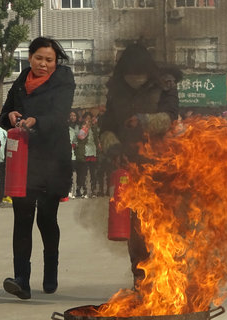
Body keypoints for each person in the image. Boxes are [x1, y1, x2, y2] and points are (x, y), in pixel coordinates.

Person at [0, 37, 75, 299]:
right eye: (38, 58)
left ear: (56, 62)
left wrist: (36, 120)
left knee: (46, 218)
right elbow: (4, 113)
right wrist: (11, 116)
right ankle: (21, 279)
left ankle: (50, 270)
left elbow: (60, 114)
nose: (43, 64)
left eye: (49, 60)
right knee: (22, 219)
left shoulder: (63, 79)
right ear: (30, 57)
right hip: (23, 161)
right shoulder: (22, 79)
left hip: (53, 159)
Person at [98, 41, 179, 288]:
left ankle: (170, 275)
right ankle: (140, 275)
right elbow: (106, 127)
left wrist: (143, 121)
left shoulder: (165, 86)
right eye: (130, 75)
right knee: (134, 227)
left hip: (161, 163)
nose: (135, 79)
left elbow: (171, 117)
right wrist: (114, 149)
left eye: (140, 75)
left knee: (165, 222)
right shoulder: (115, 90)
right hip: (128, 167)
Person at [75, 112, 98, 198]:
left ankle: (93, 190)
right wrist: (85, 128)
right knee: (83, 173)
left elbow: (96, 139)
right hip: (85, 152)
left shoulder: (94, 128)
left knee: (93, 173)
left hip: (93, 152)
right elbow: (80, 137)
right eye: (87, 118)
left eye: (90, 118)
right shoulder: (81, 127)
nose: (88, 120)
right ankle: (84, 191)